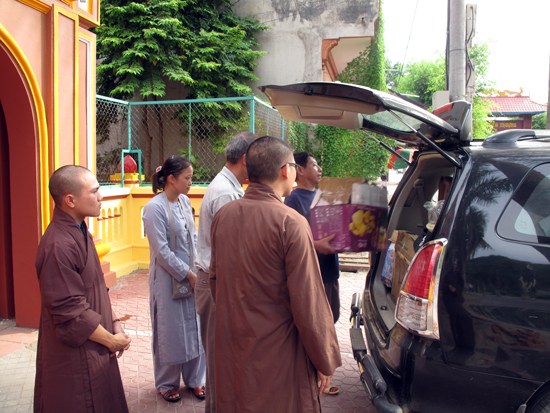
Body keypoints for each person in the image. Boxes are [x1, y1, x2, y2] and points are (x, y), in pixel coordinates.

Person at [210, 136, 342, 413]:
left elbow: (216, 282)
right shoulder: (290, 222)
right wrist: (324, 358)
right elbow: (308, 301)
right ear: (285, 170)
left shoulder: (224, 216)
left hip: (234, 343)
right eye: (294, 166)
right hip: (279, 352)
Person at [34, 165, 131, 413]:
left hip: (96, 340)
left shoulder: (80, 230)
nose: (101, 197)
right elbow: (69, 312)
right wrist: (111, 341)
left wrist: (114, 322)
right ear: (70, 200)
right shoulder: (58, 245)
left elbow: (96, 285)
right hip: (75, 354)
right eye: (94, 191)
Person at [195, 131, 257, 413]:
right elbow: (230, 252)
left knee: (221, 357)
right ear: (245, 159)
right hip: (216, 283)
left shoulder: (228, 187)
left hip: (215, 280)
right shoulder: (226, 193)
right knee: (220, 359)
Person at [142, 155, 206, 403]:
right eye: (187, 178)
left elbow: (193, 238)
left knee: (194, 327)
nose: (191, 182)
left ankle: (196, 379)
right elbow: (161, 251)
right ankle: (167, 383)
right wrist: (187, 274)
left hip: (191, 275)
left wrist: (197, 268)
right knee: (170, 330)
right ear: (171, 179)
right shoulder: (154, 208)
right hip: (166, 280)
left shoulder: (184, 202)